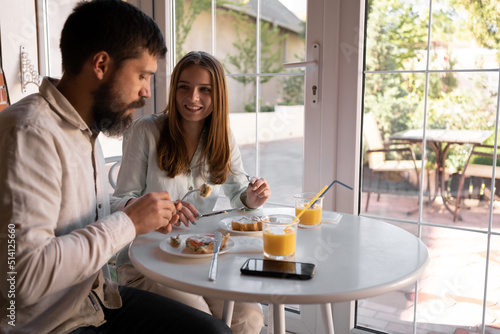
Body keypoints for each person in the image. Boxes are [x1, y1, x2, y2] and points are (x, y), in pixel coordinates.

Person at [0, 1, 232, 334]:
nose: (146, 92)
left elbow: (72, 219)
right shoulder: (29, 134)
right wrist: (128, 222)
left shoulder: (83, 128)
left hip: (92, 301)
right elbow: (23, 277)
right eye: (142, 75)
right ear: (101, 65)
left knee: (215, 331)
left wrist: (135, 209)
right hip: (49, 323)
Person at [113, 51, 271, 334]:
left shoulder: (223, 137)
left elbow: (239, 195)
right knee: (200, 320)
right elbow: (118, 200)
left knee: (249, 317)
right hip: (145, 261)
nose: (193, 97)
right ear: (174, 89)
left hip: (200, 256)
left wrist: (252, 198)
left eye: (204, 90)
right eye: (184, 87)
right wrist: (155, 209)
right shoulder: (145, 131)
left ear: (217, 94)